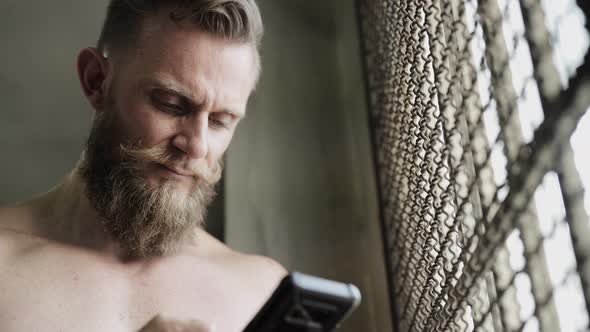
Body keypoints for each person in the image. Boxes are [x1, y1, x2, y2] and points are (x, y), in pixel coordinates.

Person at [0, 1, 286, 331]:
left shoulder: (263, 295)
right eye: (171, 104)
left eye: (221, 121)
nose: (196, 146)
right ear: (96, 81)